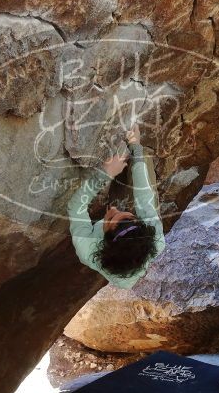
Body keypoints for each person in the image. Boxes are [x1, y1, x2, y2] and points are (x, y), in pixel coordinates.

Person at [67, 124, 166, 289]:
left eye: (110, 219)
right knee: (144, 177)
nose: (113, 209)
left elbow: (76, 205)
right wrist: (136, 146)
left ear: (104, 241)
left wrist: (104, 173)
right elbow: (144, 195)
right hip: (141, 243)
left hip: (123, 277)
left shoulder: (87, 250)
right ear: (139, 223)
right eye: (128, 216)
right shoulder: (155, 237)